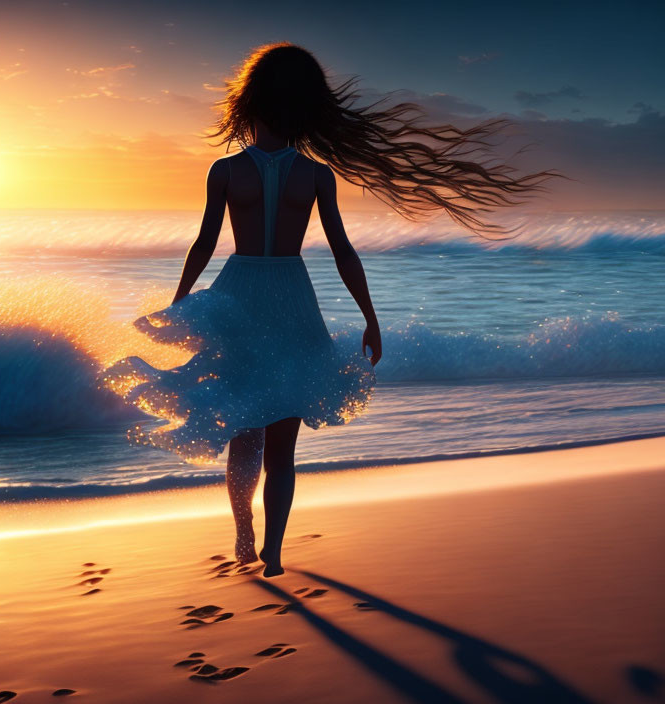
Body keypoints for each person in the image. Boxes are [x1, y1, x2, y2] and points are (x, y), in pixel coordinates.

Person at [100, 43, 555, 577]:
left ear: (251, 100)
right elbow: (342, 249)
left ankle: (245, 531)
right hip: (292, 296)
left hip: (239, 291)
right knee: (281, 439)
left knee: (244, 426)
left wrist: (181, 301)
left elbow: (204, 243)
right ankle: (272, 551)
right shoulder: (315, 175)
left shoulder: (224, 170)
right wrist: (370, 315)